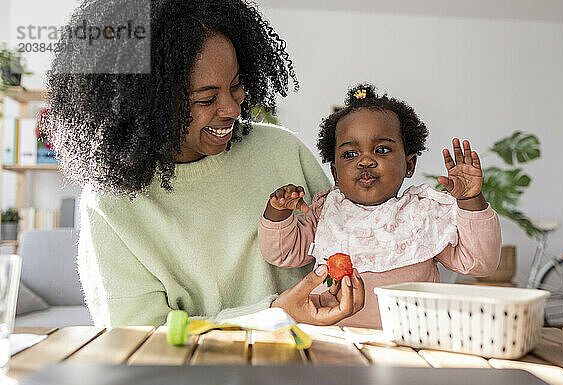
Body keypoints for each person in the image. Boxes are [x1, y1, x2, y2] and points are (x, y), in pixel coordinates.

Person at [44, 0, 364, 327]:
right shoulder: (110, 203)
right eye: (206, 99)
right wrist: (271, 315)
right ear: (148, 103)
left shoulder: (283, 151)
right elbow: (137, 337)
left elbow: (352, 246)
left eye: (236, 86)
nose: (231, 109)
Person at [258, 84, 502, 328]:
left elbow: (478, 263)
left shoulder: (423, 215)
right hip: (334, 340)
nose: (365, 160)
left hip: (412, 341)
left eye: (382, 150)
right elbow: (283, 253)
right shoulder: (326, 213)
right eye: (350, 155)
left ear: (410, 164)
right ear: (335, 172)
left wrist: (470, 200)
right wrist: (278, 213)